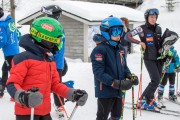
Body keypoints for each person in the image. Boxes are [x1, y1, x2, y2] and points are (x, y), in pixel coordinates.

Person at [6, 17, 88, 120]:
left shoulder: (49, 60)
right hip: (27, 113)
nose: (57, 45)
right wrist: (23, 96)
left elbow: (55, 85)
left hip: (45, 113)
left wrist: (72, 94)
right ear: (44, 39)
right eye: (55, 41)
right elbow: (12, 84)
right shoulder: (23, 58)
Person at [124, 8, 176, 110]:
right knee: (155, 80)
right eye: (151, 17)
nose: (153, 19)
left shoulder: (159, 29)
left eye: (155, 17)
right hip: (149, 58)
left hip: (159, 58)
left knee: (157, 80)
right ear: (147, 17)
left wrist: (166, 49)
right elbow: (127, 36)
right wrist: (140, 42)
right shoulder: (141, 29)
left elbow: (160, 44)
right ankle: (145, 99)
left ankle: (147, 99)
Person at [90, 16, 139, 120]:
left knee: (117, 116)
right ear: (106, 32)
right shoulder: (99, 50)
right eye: (115, 31)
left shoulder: (120, 49)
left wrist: (130, 76)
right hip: (105, 92)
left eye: (121, 31)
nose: (119, 35)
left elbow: (124, 67)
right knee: (102, 116)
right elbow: (98, 73)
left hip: (119, 91)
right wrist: (115, 83)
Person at [41, 5, 68, 116]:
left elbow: (57, 47)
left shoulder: (56, 28)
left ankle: (60, 107)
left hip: (55, 63)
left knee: (57, 85)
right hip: (51, 62)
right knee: (47, 84)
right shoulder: (52, 27)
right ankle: (44, 107)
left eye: (48, 14)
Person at [0, 7, 21, 98]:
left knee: (12, 72)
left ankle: (15, 94)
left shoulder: (1, 25)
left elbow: (2, 40)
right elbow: (18, 34)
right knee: (5, 69)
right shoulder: (10, 22)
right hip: (15, 50)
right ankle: (1, 88)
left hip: (9, 52)